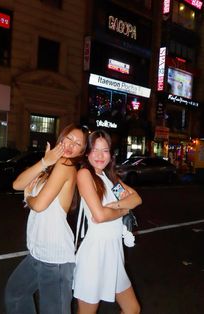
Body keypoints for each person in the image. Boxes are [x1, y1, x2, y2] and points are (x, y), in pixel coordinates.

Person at [5, 123, 88, 314]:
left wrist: (28, 196)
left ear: (81, 151)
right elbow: (17, 184)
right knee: (15, 294)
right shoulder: (50, 167)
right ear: (62, 138)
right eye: (69, 138)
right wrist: (44, 161)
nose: (71, 144)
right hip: (38, 252)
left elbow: (39, 205)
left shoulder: (66, 165)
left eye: (78, 143)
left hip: (55, 258)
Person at [73, 130, 142, 314]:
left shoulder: (110, 179)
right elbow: (100, 216)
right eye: (95, 150)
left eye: (105, 150)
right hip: (95, 254)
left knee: (132, 309)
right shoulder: (85, 175)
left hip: (114, 253)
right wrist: (124, 209)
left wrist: (117, 205)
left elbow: (136, 198)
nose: (99, 156)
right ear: (87, 152)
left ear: (111, 155)